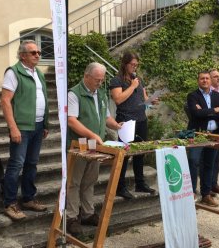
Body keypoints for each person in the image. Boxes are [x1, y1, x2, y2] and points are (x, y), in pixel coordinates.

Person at [66, 62, 122, 236]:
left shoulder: (101, 94)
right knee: (74, 181)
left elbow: (105, 118)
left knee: (90, 179)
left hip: (95, 145)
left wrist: (117, 126)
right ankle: (71, 217)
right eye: (96, 80)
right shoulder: (74, 94)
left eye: (101, 80)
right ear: (86, 76)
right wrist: (93, 135)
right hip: (79, 144)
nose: (99, 83)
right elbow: (71, 121)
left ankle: (88, 212)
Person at [1, 40, 49, 220]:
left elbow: (42, 98)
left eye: (38, 52)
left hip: (37, 126)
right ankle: (10, 202)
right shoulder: (14, 72)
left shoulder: (38, 73)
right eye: (33, 52)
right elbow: (5, 101)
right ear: (23, 55)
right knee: (16, 164)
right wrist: (13, 127)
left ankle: (28, 198)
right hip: (21, 126)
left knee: (32, 164)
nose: (38, 55)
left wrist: (45, 123)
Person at [109, 51, 158, 200]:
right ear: (125, 64)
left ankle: (140, 183)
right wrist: (132, 86)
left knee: (140, 153)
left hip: (141, 120)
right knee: (124, 155)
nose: (135, 67)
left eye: (136, 65)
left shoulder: (138, 79)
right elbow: (118, 99)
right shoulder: (117, 80)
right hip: (126, 121)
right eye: (132, 65)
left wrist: (151, 101)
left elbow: (144, 100)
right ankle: (120, 187)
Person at [186, 71, 219, 207]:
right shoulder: (193, 96)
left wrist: (205, 111)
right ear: (198, 81)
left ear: (210, 81)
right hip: (198, 134)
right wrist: (213, 110)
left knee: (209, 164)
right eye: (202, 78)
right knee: (193, 161)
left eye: (207, 78)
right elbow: (195, 113)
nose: (205, 80)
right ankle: (190, 193)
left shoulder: (217, 95)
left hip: (214, 134)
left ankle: (206, 195)